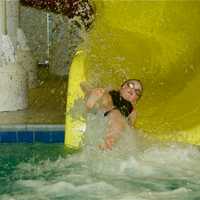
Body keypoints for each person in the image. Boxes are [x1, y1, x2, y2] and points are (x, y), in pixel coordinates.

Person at [80, 79, 143, 150]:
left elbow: (131, 127)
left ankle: (110, 139)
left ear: (135, 100)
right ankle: (91, 97)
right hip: (106, 103)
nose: (133, 90)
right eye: (131, 85)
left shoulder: (132, 110)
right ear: (122, 87)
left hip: (115, 114)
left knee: (118, 117)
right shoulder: (113, 92)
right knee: (104, 95)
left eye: (137, 92)